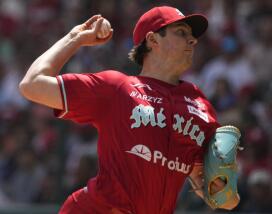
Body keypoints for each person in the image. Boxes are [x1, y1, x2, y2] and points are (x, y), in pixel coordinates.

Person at [19, 6, 239, 214]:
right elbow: (32, 85)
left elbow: (221, 197)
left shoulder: (200, 105)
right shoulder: (117, 88)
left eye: (192, 35)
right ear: (153, 40)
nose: (192, 39)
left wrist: (222, 188)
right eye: (181, 32)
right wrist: (75, 38)